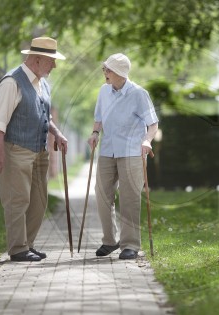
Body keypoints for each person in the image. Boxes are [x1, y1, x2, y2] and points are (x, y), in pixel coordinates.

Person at [0, 37, 68, 262]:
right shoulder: (11, 82)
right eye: (51, 61)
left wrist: (58, 133)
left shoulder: (43, 82)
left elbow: (43, 115)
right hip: (16, 150)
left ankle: (28, 244)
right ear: (37, 59)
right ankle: (17, 249)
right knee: (17, 200)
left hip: (39, 150)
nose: (54, 66)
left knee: (39, 201)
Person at [88, 53, 159, 260]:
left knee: (129, 198)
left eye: (108, 70)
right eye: (104, 69)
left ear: (120, 73)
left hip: (131, 152)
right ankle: (109, 241)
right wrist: (94, 133)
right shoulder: (103, 91)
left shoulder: (138, 94)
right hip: (107, 150)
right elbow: (98, 118)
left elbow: (153, 124)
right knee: (102, 195)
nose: (105, 73)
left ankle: (130, 245)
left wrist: (147, 140)